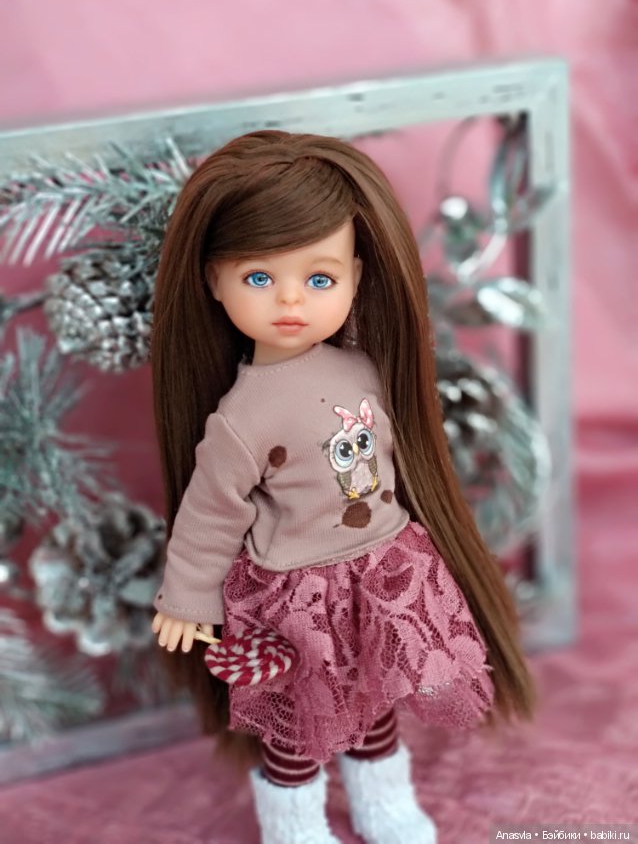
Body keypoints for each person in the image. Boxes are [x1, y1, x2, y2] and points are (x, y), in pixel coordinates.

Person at [150, 130, 535, 844]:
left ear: (356, 278)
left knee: (374, 696)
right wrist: (186, 598)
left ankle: (382, 802)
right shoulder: (241, 418)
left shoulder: (364, 369)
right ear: (213, 281)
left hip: (383, 570)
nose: (290, 299)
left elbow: (402, 458)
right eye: (258, 278)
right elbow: (210, 514)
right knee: (299, 720)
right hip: (298, 593)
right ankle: (293, 825)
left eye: (319, 279)